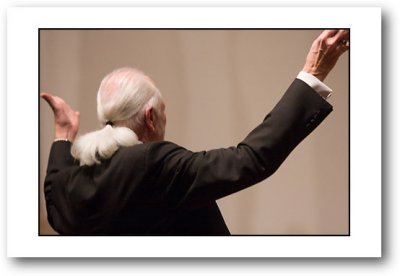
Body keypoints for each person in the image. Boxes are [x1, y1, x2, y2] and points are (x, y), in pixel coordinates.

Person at [41, 29, 349, 235]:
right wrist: (313, 74)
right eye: (163, 113)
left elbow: (55, 204)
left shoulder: (76, 182)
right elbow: (249, 160)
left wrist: (63, 137)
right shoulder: (153, 163)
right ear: (150, 117)